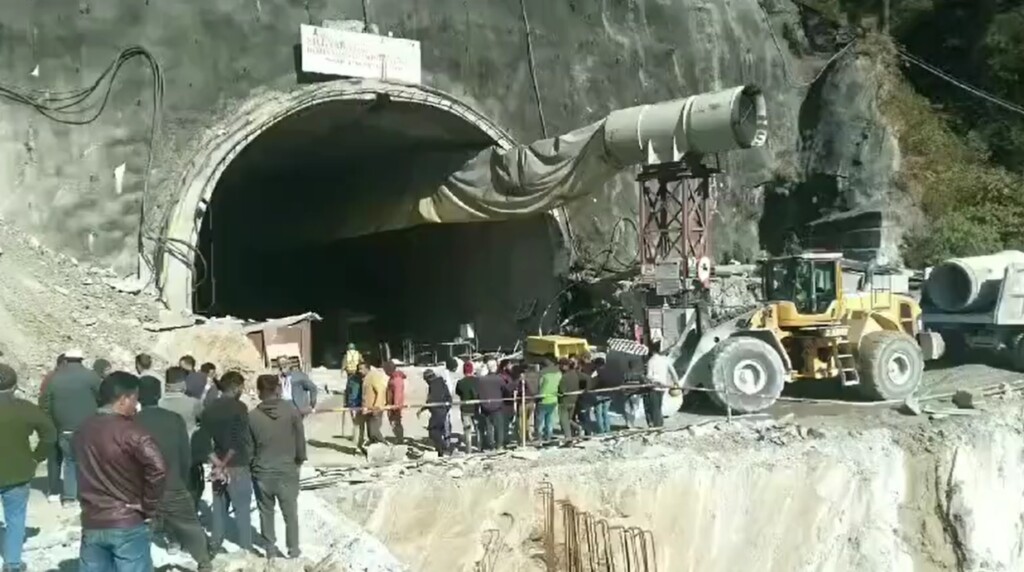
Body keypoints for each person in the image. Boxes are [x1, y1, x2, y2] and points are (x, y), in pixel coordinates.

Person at [74, 372, 167, 571]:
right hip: (127, 521)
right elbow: (158, 468)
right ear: (124, 399)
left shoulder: (82, 430)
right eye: (135, 399)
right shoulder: (132, 432)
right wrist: (148, 506)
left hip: (92, 520)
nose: (137, 405)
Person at [134, 376, 213, 572]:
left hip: (142, 488)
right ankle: (204, 562)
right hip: (173, 483)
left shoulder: (130, 422)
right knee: (189, 526)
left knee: (138, 532)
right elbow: (185, 454)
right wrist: (182, 480)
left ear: (137, 397)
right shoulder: (173, 419)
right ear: (159, 394)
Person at [0, 363, 56, 572]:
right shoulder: (24, 408)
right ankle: (12, 563)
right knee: (15, 519)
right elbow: (49, 434)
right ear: (15, 386)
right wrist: (37, 457)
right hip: (19, 473)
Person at [249, 374, 306, 560]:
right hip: (287, 470)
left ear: (259, 392)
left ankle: (270, 550)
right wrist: (299, 461)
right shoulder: (291, 410)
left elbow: (249, 448)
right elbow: (300, 439)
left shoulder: (252, 416)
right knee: (290, 513)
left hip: (263, 472)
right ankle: (293, 550)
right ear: (278, 389)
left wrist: (253, 468)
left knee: (266, 512)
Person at [199, 371, 253, 553]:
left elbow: (204, 442)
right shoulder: (240, 409)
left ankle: (215, 544)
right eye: (242, 387)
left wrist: (218, 464)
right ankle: (246, 547)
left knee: (219, 509)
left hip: (217, 465)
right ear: (236, 387)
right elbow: (240, 440)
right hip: (238, 464)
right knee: (242, 510)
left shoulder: (208, 409)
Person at [42, 348, 101, 506]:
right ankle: (89, 496)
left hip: (64, 428)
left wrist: (52, 423)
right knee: (88, 462)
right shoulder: (91, 377)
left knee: (69, 462)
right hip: (88, 428)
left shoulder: (54, 379)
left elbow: (45, 404)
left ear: (66, 360)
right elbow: (103, 398)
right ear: (82, 360)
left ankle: (69, 498)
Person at [39, 353, 66, 502]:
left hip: (52, 422)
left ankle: (53, 489)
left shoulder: (49, 378)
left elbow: (42, 401)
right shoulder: (56, 379)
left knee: (54, 458)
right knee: (68, 458)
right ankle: (68, 492)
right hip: (62, 422)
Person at [644, 345, 678, 428]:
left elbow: (649, 375)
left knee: (654, 407)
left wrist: (647, 379)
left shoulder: (651, 361)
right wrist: (676, 383)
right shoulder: (665, 360)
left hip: (654, 387)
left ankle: (657, 425)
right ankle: (660, 424)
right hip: (663, 387)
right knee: (659, 406)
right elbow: (673, 373)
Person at [419, 370, 451, 456]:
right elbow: (448, 397)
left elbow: (431, 400)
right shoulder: (441, 383)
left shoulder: (434, 385)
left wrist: (424, 408)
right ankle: (440, 450)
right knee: (438, 431)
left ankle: (444, 448)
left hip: (438, 411)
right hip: (441, 410)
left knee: (433, 431)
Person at [476, 363, 507, 450]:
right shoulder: (499, 379)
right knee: (499, 427)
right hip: (497, 406)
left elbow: (478, 392)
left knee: (489, 427)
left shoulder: (481, 380)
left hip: (485, 406)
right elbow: (505, 389)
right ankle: (499, 445)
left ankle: (491, 445)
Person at [359, 361, 388, 449]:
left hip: (375, 408)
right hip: (368, 409)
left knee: (374, 431)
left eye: (361, 369)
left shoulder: (374, 376)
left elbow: (380, 391)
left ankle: (385, 446)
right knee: (370, 433)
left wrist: (377, 406)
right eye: (358, 369)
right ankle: (374, 448)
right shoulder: (366, 378)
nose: (359, 371)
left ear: (367, 368)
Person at [454, 361, 480, 453]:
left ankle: (468, 449)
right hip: (476, 408)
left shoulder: (460, 382)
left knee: (467, 430)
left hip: (465, 408)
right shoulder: (477, 381)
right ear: (472, 370)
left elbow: (457, 392)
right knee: (477, 429)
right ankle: (479, 446)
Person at [536, 359, 563, 442]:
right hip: (554, 398)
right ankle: (549, 436)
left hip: (543, 399)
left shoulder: (542, 374)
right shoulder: (558, 373)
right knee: (550, 420)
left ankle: (540, 437)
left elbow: (539, 386)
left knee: (540, 421)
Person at [558, 358, 584, 440]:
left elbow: (562, 390)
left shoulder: (564, 377)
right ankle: (578, 428)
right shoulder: (575, 374)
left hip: (565, 401)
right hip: (574, 400)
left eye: (561, 365)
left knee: (564, 421)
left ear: (566, 366)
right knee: (568, 420)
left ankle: (568, 438)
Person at [591, 357, 616, 434]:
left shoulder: (596, 372)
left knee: (598, 413)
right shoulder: (610, 371)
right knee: (605, 412)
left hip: (598, 394)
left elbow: (591, 381)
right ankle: (608, 429)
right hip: (609, 394)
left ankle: (601, 430)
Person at [383, 360, 406, 443]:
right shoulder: (393, 378)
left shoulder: (397, 379)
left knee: (395, 422)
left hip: (395, 405)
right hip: (391, 403)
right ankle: (399, 438)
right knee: (394, 422)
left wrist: (395, 404)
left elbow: (398, 392)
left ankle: (400, 439)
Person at [342, 366, 363, 442]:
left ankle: (356, 437)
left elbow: (347, 391)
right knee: (358, 422)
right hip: (358, 403)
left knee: (355, 421)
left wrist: (346, 402)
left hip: (353, 402)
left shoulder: (351, 379)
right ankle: (357, 438)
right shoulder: (361, 379)